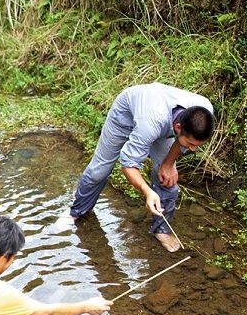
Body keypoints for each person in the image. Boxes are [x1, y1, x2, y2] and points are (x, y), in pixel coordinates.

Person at [63, 82, 214, 252]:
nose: (193, 149)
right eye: (191, 144)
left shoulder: (204, 110)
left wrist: (168, 164)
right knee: (100, 170)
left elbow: (182, 143)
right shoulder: (149, 123)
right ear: (179, 128)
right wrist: (147, 191)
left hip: (162, 122)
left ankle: (161, 229)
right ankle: (75, 212)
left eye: (198, 145)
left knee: (168, 179)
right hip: (126, 116)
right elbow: (128, 164)